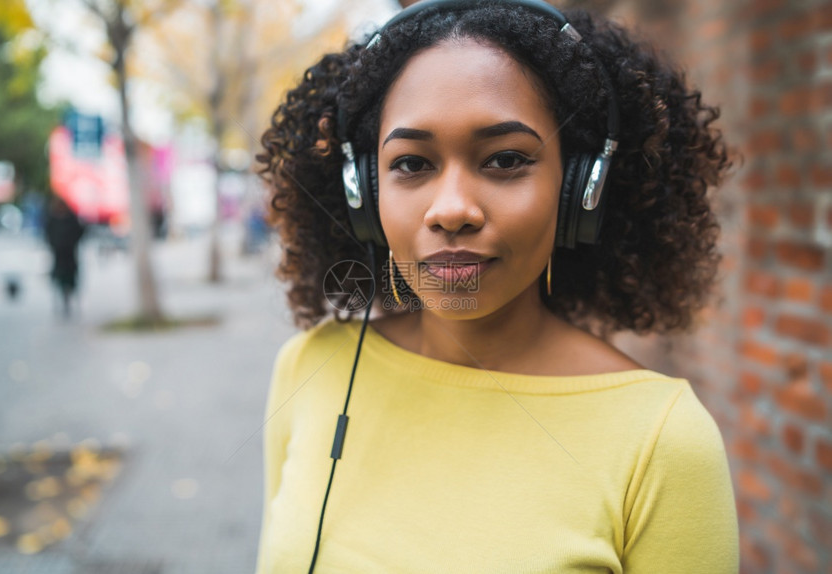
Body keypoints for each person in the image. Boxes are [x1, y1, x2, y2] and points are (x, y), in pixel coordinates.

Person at [255, 1, 737, 572]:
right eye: (411, 164)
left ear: (582, 190)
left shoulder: (663, 441)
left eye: (505, 159)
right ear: (362, 194)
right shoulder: (308, 367)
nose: (452, 210)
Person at [44, 195, 85, 316]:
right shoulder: (53, 218)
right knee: (59, 280)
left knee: (71, 280)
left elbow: (80, 231)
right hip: (59, 255)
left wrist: (72, 242)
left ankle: (70, 300)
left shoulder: (71, 218)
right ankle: (63, 302)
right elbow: (48, 234)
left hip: (70, 254)